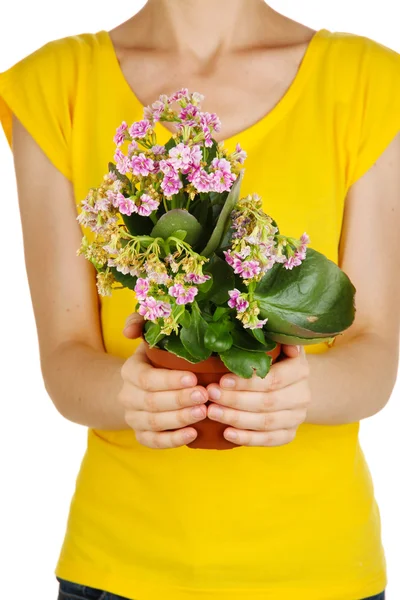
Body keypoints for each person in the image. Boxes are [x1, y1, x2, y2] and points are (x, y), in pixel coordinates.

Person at [1, 0, 399, 598]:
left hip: (320, 573)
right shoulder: (57, 86)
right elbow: (64, 357)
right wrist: (129, 393)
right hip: (119, 571)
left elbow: (375, 354)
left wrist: (298, 393)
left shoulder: (370, 82)